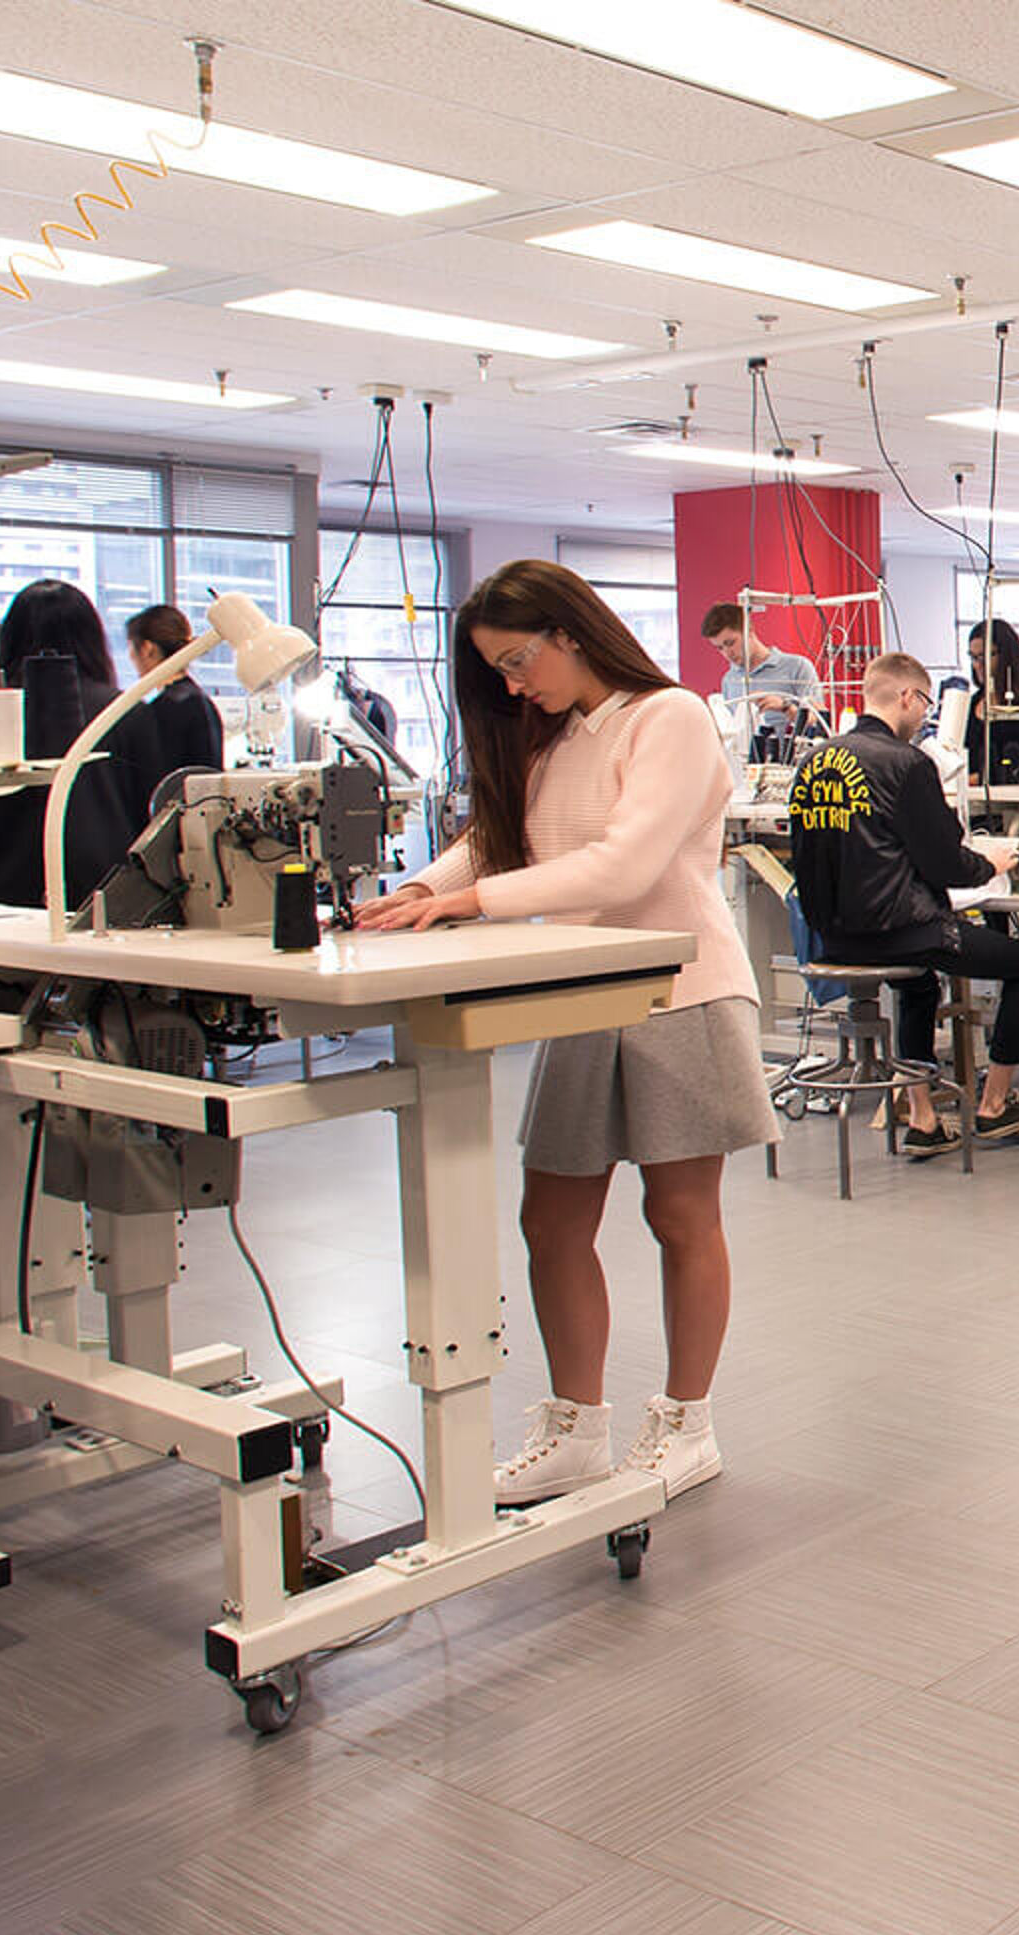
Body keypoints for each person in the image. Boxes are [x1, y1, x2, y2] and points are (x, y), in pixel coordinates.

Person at [354, 560, 767, 1503]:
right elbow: (505, 838)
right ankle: (576, 1427)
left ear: (570, 632)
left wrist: (467, 903)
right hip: (578, 992)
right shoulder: (547, 736)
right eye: (496, 669)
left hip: (681, 989)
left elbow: (622, 868)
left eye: (517, 659)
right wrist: (423, 889)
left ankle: (686, 1424)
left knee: (680, 1217)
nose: (511, 684)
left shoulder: (669, 718)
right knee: (551, 1220)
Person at [791, 651, 1019, 1149]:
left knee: (920, 987)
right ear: (907, 696)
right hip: (901, 931)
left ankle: (923, 1119)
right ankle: (994, 1105)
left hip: (835, 939)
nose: (924, 717)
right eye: (924, 704)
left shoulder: (813, 761)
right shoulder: (906, 763)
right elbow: (946, 865)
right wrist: (992, 863)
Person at [0, 580, 146, 907]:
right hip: (106, 888)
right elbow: (149, 807)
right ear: (91, 636)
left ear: (9, 637)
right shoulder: (123, 709)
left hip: (8, 890)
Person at [122, 602, 229, 783]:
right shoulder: (200, 700)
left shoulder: (164, 710)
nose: (130, 656)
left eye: (131, 647)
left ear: (147, 649)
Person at [702, 602, 822, 755]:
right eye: (720, 648)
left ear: (749, 631)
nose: (727, 653)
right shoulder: (729, 680)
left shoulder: (798, 667)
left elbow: (819, 721)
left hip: (792, 764)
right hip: (747, 767)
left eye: (730, 643)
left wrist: (785, 707)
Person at [968, 618, 1019, 787]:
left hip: (1018, 799)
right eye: (974, 657)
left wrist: (976, 779)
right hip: (973, 800)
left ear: (1007, 654)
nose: (978, 665)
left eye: (985, 656)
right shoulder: (972, 704)